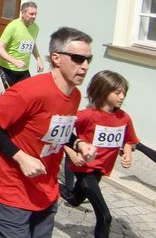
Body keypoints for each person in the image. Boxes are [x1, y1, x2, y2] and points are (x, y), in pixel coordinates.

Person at [0, 27, 97, 237]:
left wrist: (78, 144)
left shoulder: (74, 95)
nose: (85, 66)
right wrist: (21, 157)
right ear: (56, 58)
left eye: (88, 59)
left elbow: (57, 129)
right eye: (78, 59)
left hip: (45, 189)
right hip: (12, 187)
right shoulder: (30, 90)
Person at [60, 70, 139, 238]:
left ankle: (49, 184)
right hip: (84, 169)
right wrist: (71, 153)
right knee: (105, 216)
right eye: (117, 92)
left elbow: (129, 140)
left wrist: (127, 154)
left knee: (74, 199)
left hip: (100, 169)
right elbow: (60, 132)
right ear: (102, 91)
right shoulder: (87, 115)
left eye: (124, 92)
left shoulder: (124, 118)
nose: (122, 96)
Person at [0, 1, 44, 89]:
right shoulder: (13, 26)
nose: (34, 17)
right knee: (12, 97)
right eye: (31, 14)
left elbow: (32, 44)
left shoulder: (35, 28)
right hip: (8, 69)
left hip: (24, 69)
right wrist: (14, 61)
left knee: (27, 95)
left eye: (35, 14)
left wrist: (38, 59)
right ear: (23, 13)